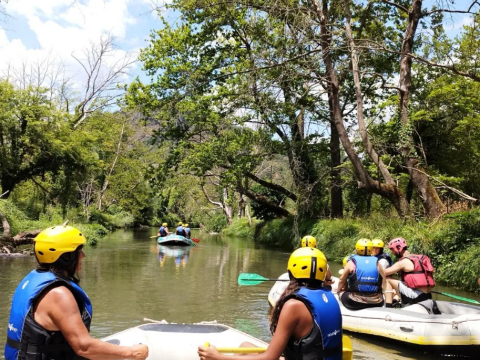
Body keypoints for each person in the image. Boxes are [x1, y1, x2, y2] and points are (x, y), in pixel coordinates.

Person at [4, 224, 149, 360]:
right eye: (79, 251)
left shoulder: (33, 278)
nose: (83, 256)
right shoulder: (58, 294)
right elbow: (84, 347)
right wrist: (133, 352)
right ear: (66, 257)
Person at [198, 247, 343, 360]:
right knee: (244, 346)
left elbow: (270, 357)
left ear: (290, 272)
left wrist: (218, 357)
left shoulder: (294, 305)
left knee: (236, 353)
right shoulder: (329, 295)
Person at [384, 237, 436, 308]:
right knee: (400, 283)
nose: (392, 253)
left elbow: (384, 273)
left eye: (392, 250)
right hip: (428, 295)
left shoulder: (403, 262)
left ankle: (388, 307)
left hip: (416, 297)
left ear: (398, 248)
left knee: (387, 279)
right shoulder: (419, 258)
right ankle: (397, 299)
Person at [337, 239, 386, 310]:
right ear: (371, 249)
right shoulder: (377, 262)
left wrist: (339, 290)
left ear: (357, 249)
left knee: (341, 292)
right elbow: (384, 279)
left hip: (354, 301)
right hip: (377, 302)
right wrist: (382, 293)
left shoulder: (352, 262)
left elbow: (342, 280)